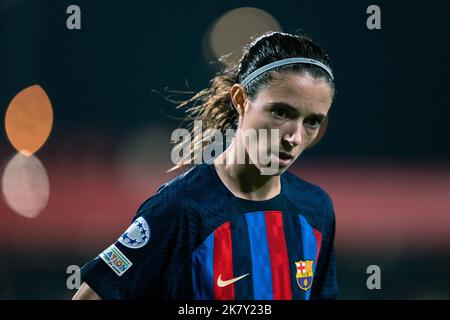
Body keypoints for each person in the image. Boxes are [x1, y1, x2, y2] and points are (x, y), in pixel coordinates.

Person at [73, 31, 337, 300]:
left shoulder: (316, 209)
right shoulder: (179, 209)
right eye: (281, 112)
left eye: (312, 121)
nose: (295, 137)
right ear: (241, 100)